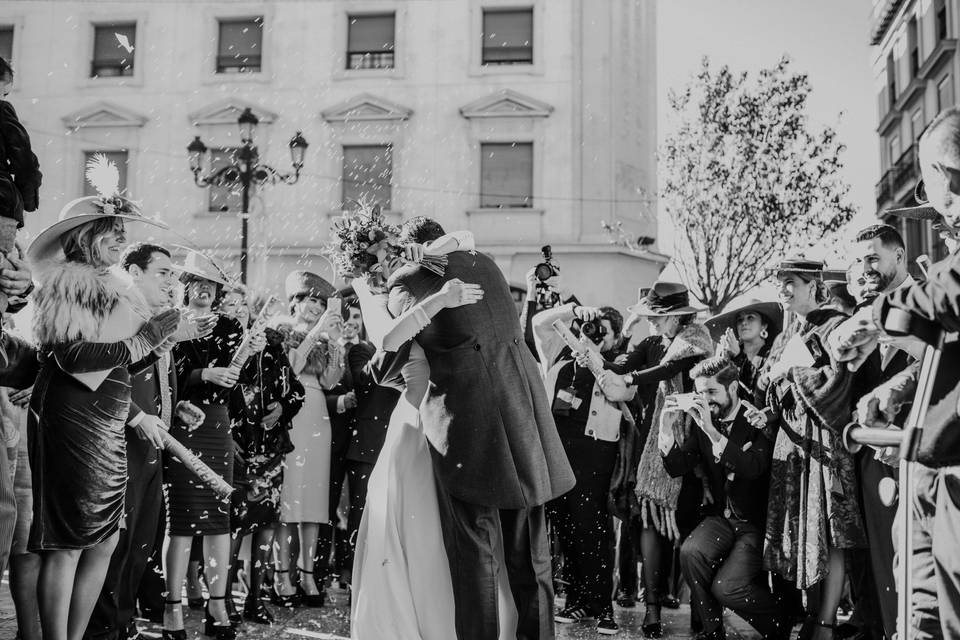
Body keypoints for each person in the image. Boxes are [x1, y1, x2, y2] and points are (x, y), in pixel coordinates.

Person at [384, 215, 575, 640]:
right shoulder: (486, 262)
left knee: (477, 557)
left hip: (469, 427)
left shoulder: (409, 279)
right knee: (533, 558)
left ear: (411, 246)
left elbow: (391, 344)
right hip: (525, 418)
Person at [25, 173, 179, 640]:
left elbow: (120, 365)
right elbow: (73, 358)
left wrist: (162, 340)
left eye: (121, 229)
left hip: (107, 421)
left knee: (105, 539)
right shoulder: (66, 281)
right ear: (84, 237)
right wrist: (147, 337)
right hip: (71, 419)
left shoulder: (112, 287)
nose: (120, 238)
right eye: (110, 229)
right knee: (67, 543)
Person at [829, 106, 960, 640]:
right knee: (918, 617)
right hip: (929, 467)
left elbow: (948, 296)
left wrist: (878, 318)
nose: (938, 214)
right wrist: (897, 386)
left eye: (933, 194)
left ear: (946, 173)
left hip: (949, 470)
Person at [330, 213, 492, 639]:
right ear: (362, 263)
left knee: (442, 528)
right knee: (417, 528)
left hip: (446, 411)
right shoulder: (373, 292)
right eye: (377, 253)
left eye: (389, 247)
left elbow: (468, 238)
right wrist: (438, 301)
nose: (387, 257)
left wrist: (435, 254)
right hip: (414, 417)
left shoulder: (419, 273)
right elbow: (388, 342)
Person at [85, 243, 200, 640]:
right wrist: (137, 415)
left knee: (141, 544)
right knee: (115, 543)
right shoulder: (121, 312)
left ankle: (123, 621)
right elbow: (110, 371)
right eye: (163, 272)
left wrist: (177, 405)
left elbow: (155, 377)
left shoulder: (159, 318)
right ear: (132, 271)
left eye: (173, 274)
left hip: (153, 441)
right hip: (121, 438)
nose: (172, 280)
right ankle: (102, 629)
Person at [756, 257, 865, 640]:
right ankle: (812, 613)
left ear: (814, 286)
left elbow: (838, 383)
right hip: (794, 444)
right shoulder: (787, 334)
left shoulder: (834, 323)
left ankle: (826, 621)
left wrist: (792, 374)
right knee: (804, 532)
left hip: (825, 442)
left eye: (792, 282)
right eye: (780, 282)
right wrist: (773, 388)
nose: (784, 289)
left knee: (830, 533)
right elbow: (770, 387)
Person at [599, 282, 712, 639]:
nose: (654, 324)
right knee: (648, 522)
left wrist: (630, 377)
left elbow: (667, 371)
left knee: (690, 526)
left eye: (658, 318)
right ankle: (650, 610)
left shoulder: (696, 340)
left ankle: (700, 609)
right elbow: (614, 365)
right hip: (653, 441)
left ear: (677, 317)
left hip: (691, 439)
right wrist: (587, 348)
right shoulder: (651, 342)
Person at [163, 250, 264, 640]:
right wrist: (203, 372)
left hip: (218, 424)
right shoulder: (171, 324)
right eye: (197, 283)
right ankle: (173, 608)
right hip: (183, 421)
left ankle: (217, 602)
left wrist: (249, 354)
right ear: (186, 286)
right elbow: (167, 376)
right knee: (182, 519)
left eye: (211, 284)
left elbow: (237, 382)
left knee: (219, 519)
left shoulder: (228, 325)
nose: (204, 289)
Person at [659, 356, 787, 640]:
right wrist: (665, 429)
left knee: (727, 587)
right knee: (691, 552)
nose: (705, 400)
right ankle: (712, 631)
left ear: (732, 388)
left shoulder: (757, 418)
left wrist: (710, 429)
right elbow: (677, 466)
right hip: (721, 519)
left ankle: (780, 625)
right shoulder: (706, 420)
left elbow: (753, 468)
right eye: (700, 393)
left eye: (711, 392)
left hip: (755, 524)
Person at [531, 297, 636, 635]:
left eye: (601, 331)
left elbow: (621, 393)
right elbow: (538, 323)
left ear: (615, 337)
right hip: (558, 455)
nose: (592, 334)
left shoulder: (620, 366)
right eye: (590, 327)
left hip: (595, 456)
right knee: (565, 527)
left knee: (592, 528)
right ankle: (577, 600)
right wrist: (574, 314)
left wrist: (596, 361)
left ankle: (602, 605)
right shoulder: (559, 358)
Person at [221, 289, 304, 624]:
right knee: (231, 528)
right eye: (231, 306)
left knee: (265, 526)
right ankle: (223, 600)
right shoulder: (219, 346)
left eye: (243, 306)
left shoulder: (271, 347)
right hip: (235, 451)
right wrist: (225, 435)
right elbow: (205, 396)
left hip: (270, 451)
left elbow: (296, 392)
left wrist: (283, 407)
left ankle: (255, 600)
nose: (239, 312)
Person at [271, 270, 344, 607]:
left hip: (318, 415)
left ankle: (308, 572)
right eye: (311, 301)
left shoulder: (325, 338)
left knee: (313, 501)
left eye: (320, 302)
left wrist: (336, 343)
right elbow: (290, 365)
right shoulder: (282, 331)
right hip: (292, 414)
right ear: (295, 303)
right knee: (289, 499)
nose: (316, 307)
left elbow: (330, 381)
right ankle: (281, 573)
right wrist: (317, 333)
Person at [707, 299, 783, 403]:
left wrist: (739, 356)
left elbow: (761, 392)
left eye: (750, 317)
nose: (744, 323)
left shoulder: (774, 354)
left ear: (764, 325)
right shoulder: (728, 354)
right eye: (740, 319)